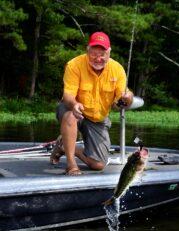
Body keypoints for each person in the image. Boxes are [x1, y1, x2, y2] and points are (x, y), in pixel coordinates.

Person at [50, 32, 133, 175]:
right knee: (70, 116)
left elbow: (118, 102)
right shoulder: (74, 65)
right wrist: (74, 104)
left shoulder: (118, 69)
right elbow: (68, 95)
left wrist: (128, 98)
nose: (98, 58)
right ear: (87, 51)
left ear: (109, 52)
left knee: (98, 165)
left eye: (102, 54)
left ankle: (64, 145)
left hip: (98, 119)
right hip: (75, 110)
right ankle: (71, 165)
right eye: (94, 54)